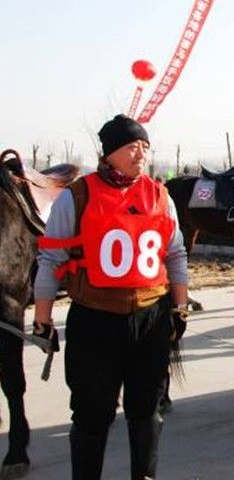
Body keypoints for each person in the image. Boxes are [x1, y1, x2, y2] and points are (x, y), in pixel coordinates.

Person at [33, 114, 189, 479]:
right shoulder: (78, 196)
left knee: (146, 408)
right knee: (91, 413)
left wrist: (180, 307)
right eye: (132, 147)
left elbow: (176, 254)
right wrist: (42, 319)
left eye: (145, 148)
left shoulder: (160, 195)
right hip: (95, 318)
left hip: (149, 316)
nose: (141, 155)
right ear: (109, 153)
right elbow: (51, 258)